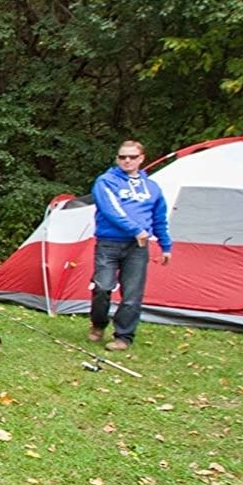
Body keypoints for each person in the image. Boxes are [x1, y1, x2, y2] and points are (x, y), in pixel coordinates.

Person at [89, 139, 172, 351]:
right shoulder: (106, 181)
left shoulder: (152, 188)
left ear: (141, 159)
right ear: (117, 159)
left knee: (132, 294)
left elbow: (159, 218)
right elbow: (110, 209)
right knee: (102, 287)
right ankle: (98, 323)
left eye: (132, 157)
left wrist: (165, 246)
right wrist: (136, 230)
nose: (127, 161)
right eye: (122, 157)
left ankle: (123, 337)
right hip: (108, 244)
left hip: (138, 248)